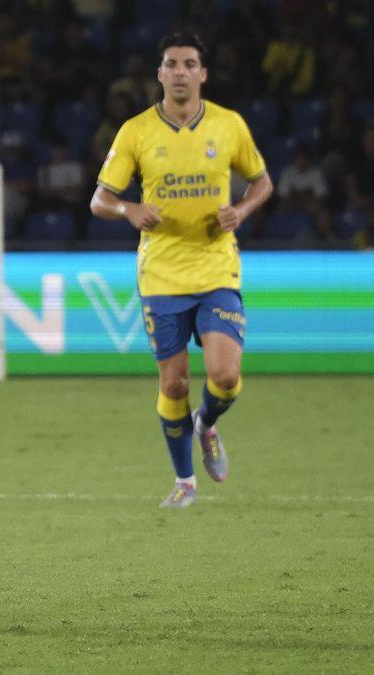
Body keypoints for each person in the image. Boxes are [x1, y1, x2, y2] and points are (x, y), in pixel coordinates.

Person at [89, 34, 274, 508]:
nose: (180, 72)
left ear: (202, 74)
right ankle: (185, 481)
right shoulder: (135, 132)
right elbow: (100, 200)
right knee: (173, 384)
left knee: (225, 376)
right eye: (171, 64)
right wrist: (129, 210)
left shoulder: (229, 126)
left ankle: (206, 424)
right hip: (162, 275)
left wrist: (242, 211)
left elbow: (262, 183)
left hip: (216, 267)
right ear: (159, 74)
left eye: (189, 64)